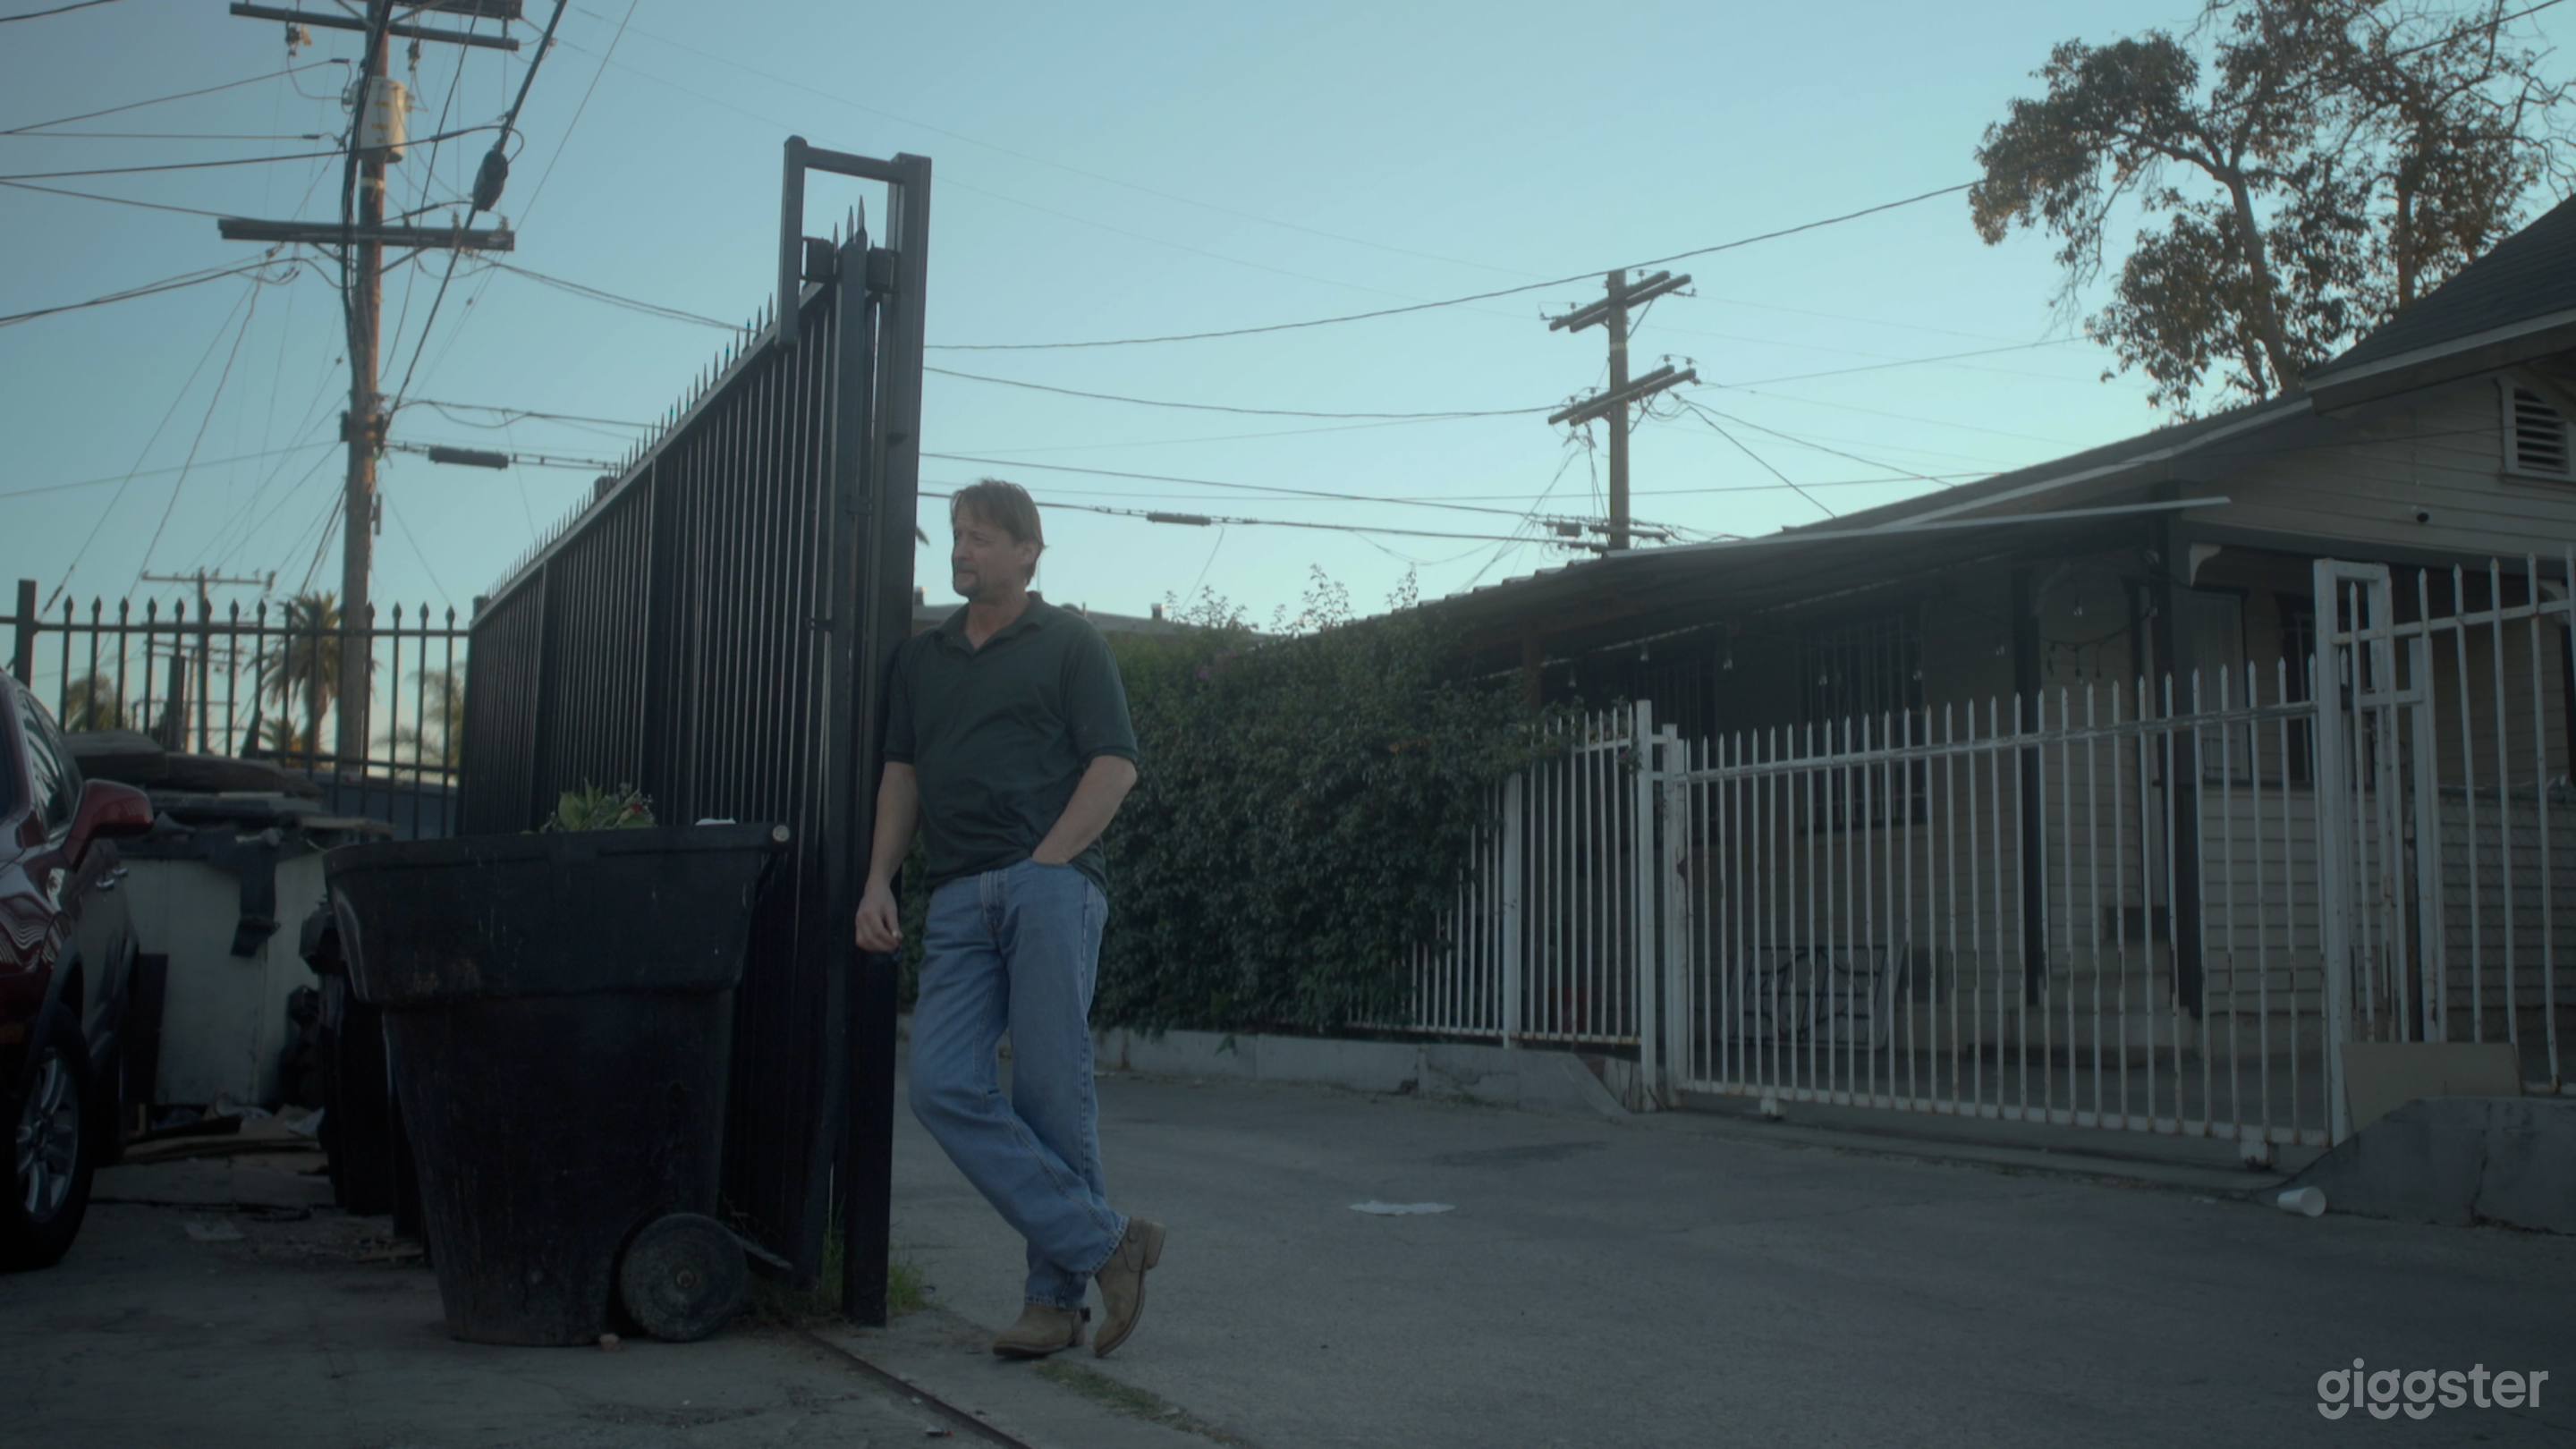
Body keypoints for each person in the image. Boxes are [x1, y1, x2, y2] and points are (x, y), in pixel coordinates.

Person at [854, 479, 1163, 1360]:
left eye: (982, 537)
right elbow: (902, 780)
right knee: (942, 1084)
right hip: (954, 894)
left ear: (1030, 552)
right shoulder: (923, 660)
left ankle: (1051, 1303)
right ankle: (1111, 1245)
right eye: (956, 534)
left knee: (1049, 1092)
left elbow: (1115, 765)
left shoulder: (1069, 643)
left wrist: (1048, 863)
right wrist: (880, 880)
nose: (962, 549)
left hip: (1048, 888)